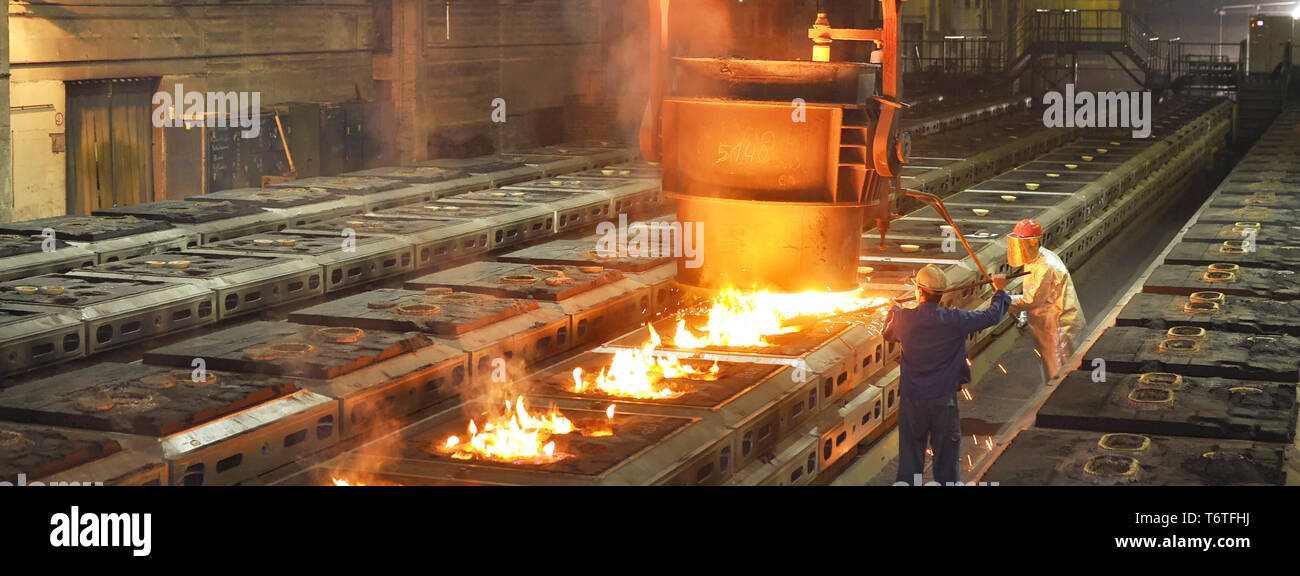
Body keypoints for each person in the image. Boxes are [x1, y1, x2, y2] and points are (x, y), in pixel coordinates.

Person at [883, 264, 1009, 485]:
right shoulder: (955, 319)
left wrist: (892, 310)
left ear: (919, 291)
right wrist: (999, 292)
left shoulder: (904, 318)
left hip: (913, 401)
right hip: (944, 401)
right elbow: (991, 317)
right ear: (941, 294)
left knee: (910, 459)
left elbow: (888, 333)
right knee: (946, 458)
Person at [1005, 219, 1085, 381]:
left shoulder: (1045, 265)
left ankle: (1062, 403)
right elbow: (1034, 293)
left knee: (1061, 373)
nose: (1019, 249)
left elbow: (1031, 300)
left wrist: (1003, 299)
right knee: (1050, 369)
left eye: (1022, 244)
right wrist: (1024, 317)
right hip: (1047, 323)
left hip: (1058, 325)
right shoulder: (1034, 259)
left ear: (1033, 243)